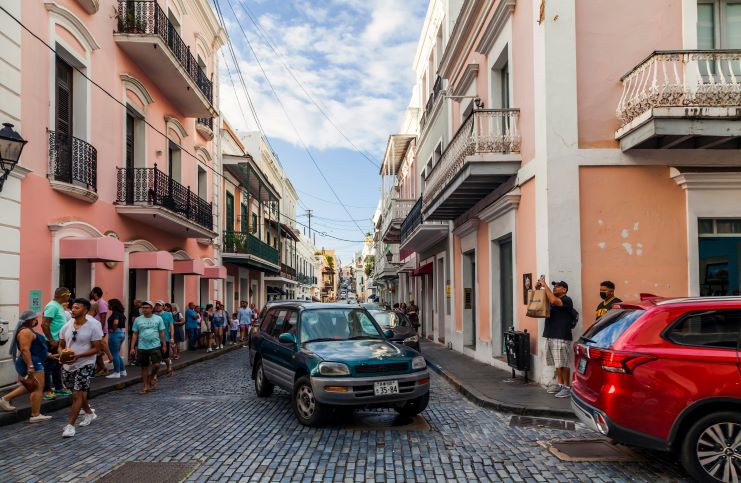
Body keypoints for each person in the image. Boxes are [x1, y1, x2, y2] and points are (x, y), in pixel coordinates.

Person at [59, 298, 103, 438]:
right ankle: (89, 413)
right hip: (68, 365)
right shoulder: (66, 326)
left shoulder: (94, 326)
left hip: (86, 363)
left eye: (77, 308)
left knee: (77, 394)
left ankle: (70, 426)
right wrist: (62, 355)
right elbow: (60, 345)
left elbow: (96, 348)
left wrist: (79, 356)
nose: (73, 309)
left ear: (85, 310)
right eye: (73, 307)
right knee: (75, 392)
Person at [0, 310, 52, 422]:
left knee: (31, 385)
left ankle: (4, 399)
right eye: (35, 318)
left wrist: (50, 355)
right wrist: (30, 366)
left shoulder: (28, 331)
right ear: (31, 320)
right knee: (38, 388)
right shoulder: (25, 332)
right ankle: (35, 415)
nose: (37, 320)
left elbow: (35, 348)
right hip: (32, 363)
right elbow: (25, 350)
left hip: (34, 361)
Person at [536, 277, 574, 399]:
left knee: (564, 363)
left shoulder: (566, 300)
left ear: (564, 290)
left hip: (561, 336)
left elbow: (552, 300)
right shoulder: (553, 299)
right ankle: (560, 384)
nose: (554, 288)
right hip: (551, 335)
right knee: (557, 364)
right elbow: (541, 299)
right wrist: (538, 288)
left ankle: (567, 387)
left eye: (557, 287)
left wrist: (545, 285)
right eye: (554, 286)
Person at [41, 287, 72, 401]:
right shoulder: (52, 306)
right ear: (62, 295)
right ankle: (46, 390)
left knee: (58, 365)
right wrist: (51, 340)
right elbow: (44, 324)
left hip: (59, 341)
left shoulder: (58, 305)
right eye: (68, 295)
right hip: (52, 342)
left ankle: (58, 388)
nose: (69, 297)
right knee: (48, 367)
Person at [129, 301, 165, 395]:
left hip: (155, 345)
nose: (144, 309)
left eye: (147, 307)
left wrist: (164, 344)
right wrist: (132, 347)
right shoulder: (138, 320)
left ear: (151, 308)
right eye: (143, 308)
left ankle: (152, 377)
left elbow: (161, 332)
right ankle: (145, 386)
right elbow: (135, 334)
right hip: (142, 346)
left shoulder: (158, 319)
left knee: (156, 365)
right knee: (144, 367)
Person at [90, 287, 113, 377]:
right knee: (97, 349)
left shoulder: (101, 303)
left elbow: (103, 316)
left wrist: (100, 328)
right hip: (96, 328)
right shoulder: (97, 303)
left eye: (92, 292)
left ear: (95, 293)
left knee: (99, 346)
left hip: (100, 328)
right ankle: (102, 367)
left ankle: (105, 363)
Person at [105, 299, 127, 379]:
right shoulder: (121, 314)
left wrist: (113, 329)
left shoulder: (115, 314)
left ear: (113, 305)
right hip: (121, 333)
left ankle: (116, 372)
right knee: (117, 353)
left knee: (114, 353)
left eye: (109, 304)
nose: (108, 306)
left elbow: (115, 323)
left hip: (115, 334)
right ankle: (123, 371)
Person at [154, 301, 174, 377]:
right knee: (156, 358)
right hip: (155, 339)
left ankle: (169, 366)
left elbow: (171, 326)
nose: (158, 307)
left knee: (165, 357)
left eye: (159, 305)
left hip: (165, 338)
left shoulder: (168, 314)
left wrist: (172, 337)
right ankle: (155, 374)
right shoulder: (153, 315)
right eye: (156, 305)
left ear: (163, 306)